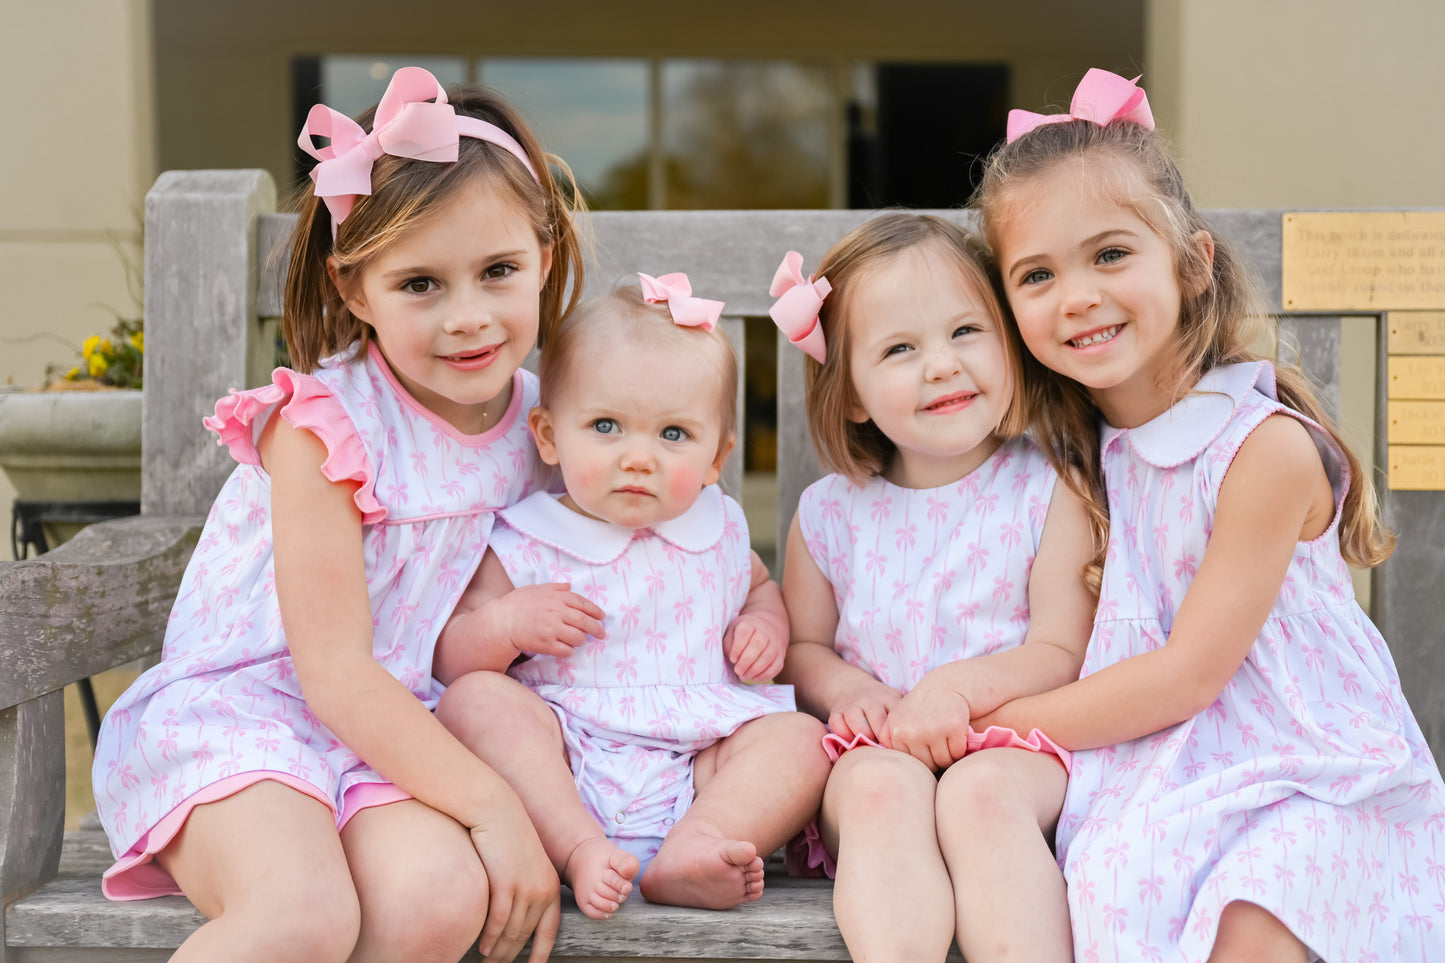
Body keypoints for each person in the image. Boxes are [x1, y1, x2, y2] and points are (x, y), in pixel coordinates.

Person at [91, 66, 587, 963]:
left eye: (498, 271)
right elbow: (333, 674)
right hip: (251, 715)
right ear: (355, 292)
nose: (467, 317)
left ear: (544, 258)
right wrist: (493, 804)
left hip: (397, 734)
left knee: (437, 899)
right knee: (304, 915)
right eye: (420, 285)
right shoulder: (323, 427)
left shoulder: (548, 425)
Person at [972, 68, 1445, 962]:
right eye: (1037, 274)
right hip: (1160, 776)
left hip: (1308, 776)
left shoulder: (1260, 450)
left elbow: (1190, 673)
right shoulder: (1078, 467)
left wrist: (996, 725)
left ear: (1191, 266)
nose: (1076, 294)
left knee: (1255, 916)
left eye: (1110, 254)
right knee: (1119, 882)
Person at [432, 273, 832, 917]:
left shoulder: (719, 526)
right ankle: (577, 848)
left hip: (699, 758)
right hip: (564, 754)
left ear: (715, 459)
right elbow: (449, 658)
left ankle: (696, 847)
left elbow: (758, 586)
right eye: (607, 426)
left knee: (803, 741)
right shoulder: (527, 537)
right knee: (476, 703)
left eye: (672, 434)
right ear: (549, 435)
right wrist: (505, 626)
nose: (638, 457)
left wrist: (765, 624)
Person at [772, 212, 1097, 963]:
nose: (941, 365)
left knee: (979, 796)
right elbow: (803, 646)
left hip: (1012, 740)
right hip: (877, 740)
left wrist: (953, 690)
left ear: (1009, 345)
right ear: (849, 393)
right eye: (898, 349)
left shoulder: (1048, 490)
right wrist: (848, 687)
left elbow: (1059, 645)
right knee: (883, 791)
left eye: (964, 332)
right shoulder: (830, 514)